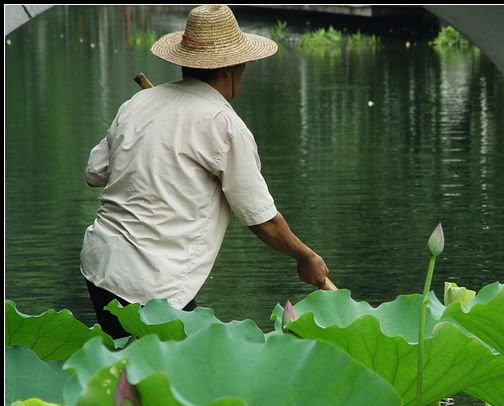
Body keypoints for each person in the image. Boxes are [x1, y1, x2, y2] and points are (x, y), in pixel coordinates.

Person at [80, 5, 329, 338]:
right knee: (179, 375)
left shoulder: (138, 103)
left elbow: (95, 172)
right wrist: (305, 257)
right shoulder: (223, 123)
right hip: (154, 281)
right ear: (234, 67)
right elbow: (261, 218)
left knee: (133, 372)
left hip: (101, 265)